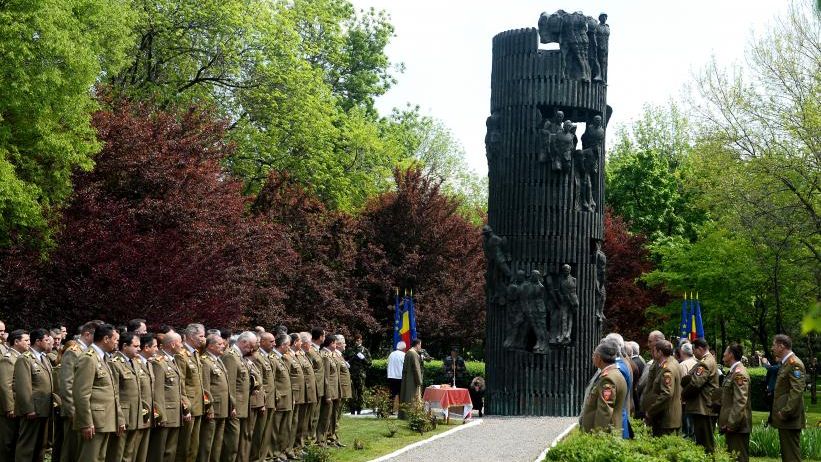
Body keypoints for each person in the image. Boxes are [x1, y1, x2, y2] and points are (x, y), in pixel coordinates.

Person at [74, 323, 124, 462]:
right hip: (94, 421)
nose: (117, 343)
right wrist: (86, 422)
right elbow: (81, 394)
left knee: (100, 458)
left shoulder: (104, 358)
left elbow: (112, 392)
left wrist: (118, 418)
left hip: (105, 419)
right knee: (90, 458)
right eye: (115, 339)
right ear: (106, 339)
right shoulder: (88, 358)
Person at [13, 328, 54, 462]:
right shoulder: (24, 359)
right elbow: (23, 386)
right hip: (33, 410)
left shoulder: (44, 358)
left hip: (44, 409)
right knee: (27, 446)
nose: (49, 343)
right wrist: (29, 408)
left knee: (40, 447)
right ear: (37, 341)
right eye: (46, 340)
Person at [148, 331, 187, 462]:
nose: (182, 345)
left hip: (175, 412)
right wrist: (160, 414)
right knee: (159, 451)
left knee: (170, 451)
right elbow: (157, 392)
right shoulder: (158, 362)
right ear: (172, 344)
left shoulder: (171, 360)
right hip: (165, 413)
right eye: (180, 342)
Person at [107, 332, 145, 462]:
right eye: (135, 346)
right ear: (124, 346)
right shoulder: (114, 363)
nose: (139, 349)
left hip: (135, 414)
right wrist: (119, 417)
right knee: (117, 454)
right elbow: (114, 393)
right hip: (123, 415)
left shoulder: (134, 362)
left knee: (130, 455)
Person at [770, 334, 806, 462]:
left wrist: (786, 412)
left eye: (774, 345)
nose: (772, 348)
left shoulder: (794, 363)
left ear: (781, 346)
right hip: (786, 418)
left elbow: (796, 391)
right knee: (788, 454)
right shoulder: (787, 363)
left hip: (789, 417)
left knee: (791, 456)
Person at [220, 331, 254, 462]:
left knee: (238, 441)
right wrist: (232, 405)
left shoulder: (239, 356)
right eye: (250, 345)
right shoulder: (230, 356)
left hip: (242, 406)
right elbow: (231, 384)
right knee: (231, 443)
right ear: (243, 341)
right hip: (235, 407)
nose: (251, 349)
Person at [681, 337, 719, 453]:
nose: (693, 353)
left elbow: (696, 383)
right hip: (704, 407)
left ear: (700, 349)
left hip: (704, 408)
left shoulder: (705, 363)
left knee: (705, 444)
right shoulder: (707, 360)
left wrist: (683, 394)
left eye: (694, 350)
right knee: (703, 442)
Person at [579, 341, 627, 433]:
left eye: (593, 355)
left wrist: (599, 435)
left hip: (604, 434)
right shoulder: (614, 373)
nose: (592, 357)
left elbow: (604, 411)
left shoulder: (608, 379)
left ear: (599, 358)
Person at [176, 324, 206, 462]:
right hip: (189, 405)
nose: (203, 339)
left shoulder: (195, 353)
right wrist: (185, 406)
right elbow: (181, 383)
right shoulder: (181, 355)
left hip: (198, 404)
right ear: (191, 337)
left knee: (194, 444)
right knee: (185, 444)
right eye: (201, 336)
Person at [198, 333, 228, 462]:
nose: (223, 346)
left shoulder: (217, 359)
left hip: (222, 406)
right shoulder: (205, 361)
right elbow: (205, 387)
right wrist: (208, 408)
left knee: (218, 441)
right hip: (213, 407)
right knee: (208, 441)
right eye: (219, 344)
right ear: (210, 346)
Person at [719, 343, 751, 462]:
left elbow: (740, 401)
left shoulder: (739, 373)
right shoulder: (733, 372)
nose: (723, 355)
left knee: (738, 458)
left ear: (731, 355)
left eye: (725, 352)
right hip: (733, 425)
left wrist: (732, 424)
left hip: (737, 426)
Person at [0, 329, 28, 461]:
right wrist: (10, 407)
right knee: (8, 442)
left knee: (16, 440)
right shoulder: (8, 359)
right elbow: (5, 385)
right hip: (10, 409)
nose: (29, 343)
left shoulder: (20, 358)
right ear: (16, 342)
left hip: (18, 407)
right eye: (26, 340)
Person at [644, 340, 681, 436]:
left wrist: (651, 410)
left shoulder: (667, 369)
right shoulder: (673, 362)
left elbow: (667, 394)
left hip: (666, 418)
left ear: (660, 352)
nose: (653, 353)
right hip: (668, 417)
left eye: (654, 351)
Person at [270, 333, 294, 461]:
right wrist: (276, 396)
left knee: (284, 427)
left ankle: (281, 451)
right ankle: (274, 452)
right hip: (280, 399)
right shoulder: (273, 358)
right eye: (288, 345)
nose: (289, 348)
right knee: (276, 428)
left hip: (287, 398)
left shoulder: (281, 358)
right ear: (283, 345)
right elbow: (272, 380)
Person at [316, 335, 339, 446]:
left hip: (334, 391)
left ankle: (326, 438)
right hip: (329, 391)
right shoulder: (325, 356)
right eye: (335, 343)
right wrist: (328, 394)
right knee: (325, 417)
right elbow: (326, 377)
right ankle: (321, 439)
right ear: (331, 343)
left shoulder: (330, 355)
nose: (336, 345)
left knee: (330, 417)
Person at [306, 328, 325, 442]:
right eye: (324, 335)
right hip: (314, 388)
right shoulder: (310, 350)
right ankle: (309, 440)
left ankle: (312, 439)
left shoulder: (317, 350)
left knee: (316, 416)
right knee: (311, 416)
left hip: (319, 388)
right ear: (321, 336)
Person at [344, 334, 371, 415]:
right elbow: (344, 360)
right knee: (352, 393)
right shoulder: (350, 350)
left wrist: (364, 358)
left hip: (360, 375)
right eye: (356, 340)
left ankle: (359, 411)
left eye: (358, 340)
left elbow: (369, 363)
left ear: (361, 340)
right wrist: (348, 362)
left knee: (360, 393)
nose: (357, 341)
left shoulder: (365, 350)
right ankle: (352, 410)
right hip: (351, 374)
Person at [399, 339, 423, 418]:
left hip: (407, 378)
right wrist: (419, 381)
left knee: (405, 396)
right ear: (417, 345)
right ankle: (411, 415)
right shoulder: (414, 354)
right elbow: (416, 368)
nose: (420, 347)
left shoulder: (408, 352)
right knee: (412, 397)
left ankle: (404, 415)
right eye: (420, 345)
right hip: (412, 380)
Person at [679, 341, 697, 439]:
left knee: (686, 431)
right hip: (695, 401)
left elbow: (681, 385)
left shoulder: (682, 365)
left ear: (682, 352)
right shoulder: (698, 363)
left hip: (685, 402)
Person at [387, 341, 406, 415]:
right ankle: (401, 411)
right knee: (401, 395)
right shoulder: (404, 355)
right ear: (404, 348)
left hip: (391, 376)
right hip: (400, 377)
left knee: (391, 394)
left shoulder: (391, 354)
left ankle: (389, 410)